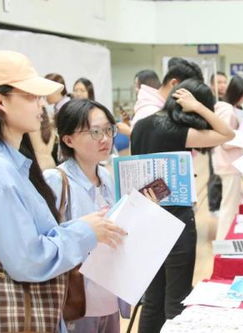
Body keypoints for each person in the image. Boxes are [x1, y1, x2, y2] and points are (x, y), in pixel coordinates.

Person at [0, 50, 126, 332]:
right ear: (0, 101)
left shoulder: (14, 165)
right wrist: (84, 231)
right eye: (31, 96)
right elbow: (27, 259)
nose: (42, 105)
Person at [131, 78, 234, 332]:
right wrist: (199, 107)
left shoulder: (141, 125)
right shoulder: (176, 130)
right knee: (176, 302)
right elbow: (227, 134)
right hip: (175, 221)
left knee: (152, 301)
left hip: (145, 219)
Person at [44, 99, 157, 332]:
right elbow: (48, 242)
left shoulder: (107, 177)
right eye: (95, 132)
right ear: (68, 139)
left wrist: (143, 211)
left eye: (108, 129)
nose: (105, 138)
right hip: (76, 300)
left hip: (109, 295)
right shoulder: (56, 181)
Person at [212, 75, 243, 240]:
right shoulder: (228, 112)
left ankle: (225, 240)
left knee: (231, 205)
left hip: (226, 163)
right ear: (239, 94)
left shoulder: (223, 108)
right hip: (228, 164)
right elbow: (225, 142)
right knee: (228, 207)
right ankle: (222, 244)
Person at [130, 58, 203, 129]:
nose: (189, 98)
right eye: (188, 91)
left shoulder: (158, 107)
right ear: (175, 84)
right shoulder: (151, 112)